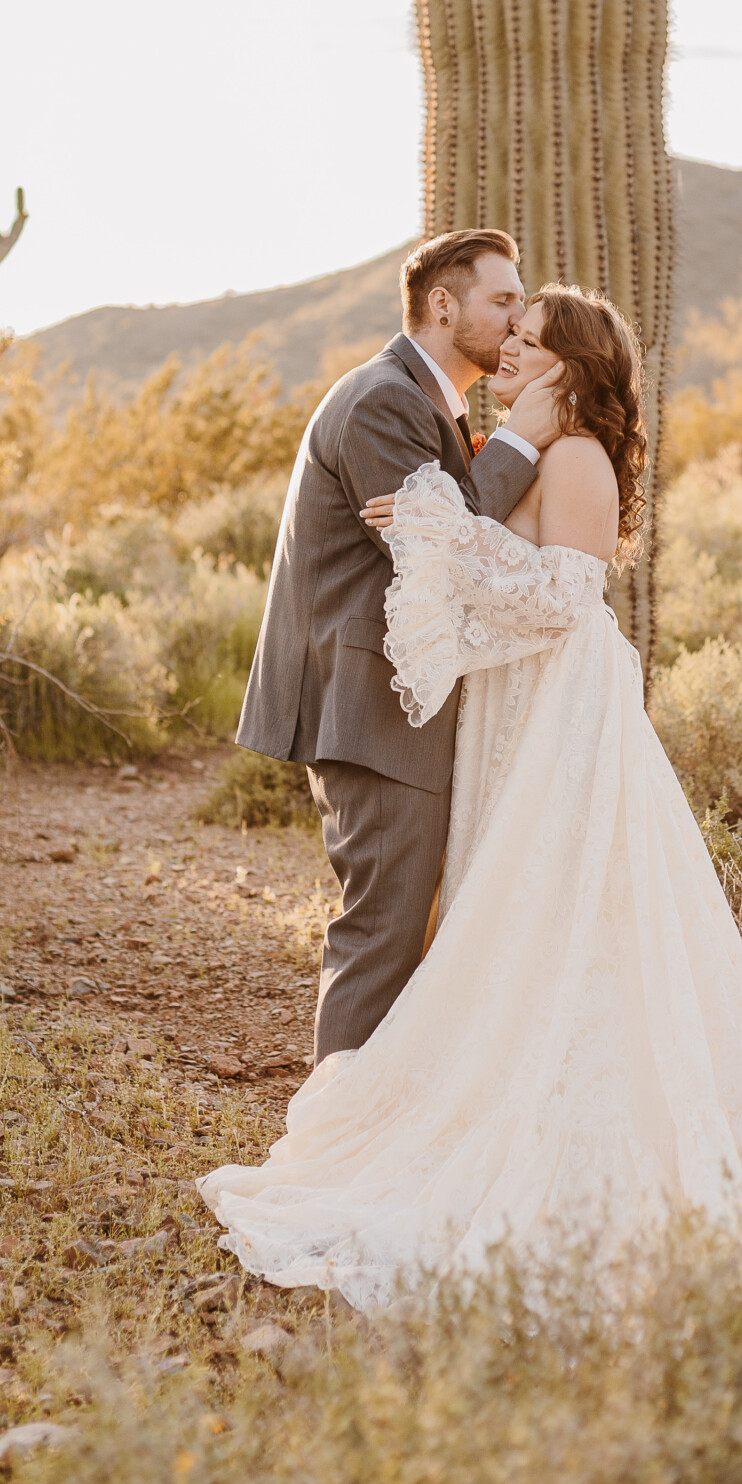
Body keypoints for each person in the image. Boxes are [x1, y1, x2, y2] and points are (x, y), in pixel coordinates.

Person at [203, 284, 742, 1364]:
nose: (511, 358)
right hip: (513, 710)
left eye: (529, 345)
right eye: (508, 339)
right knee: (507, 919)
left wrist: (444, 529)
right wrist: (453, 528)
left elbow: (567, 595)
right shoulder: (533, 445)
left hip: (561, 712)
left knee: (565, 911)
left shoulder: (574, 455)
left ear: (574, 367)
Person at [235, 228, 564, 1064]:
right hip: (371, 710)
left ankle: (366, 1138)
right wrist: (522, 439)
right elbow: (438, 558)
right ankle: (329, 1154)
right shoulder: (385, 400)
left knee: (402, 935)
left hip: (392, 707)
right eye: (502, 300)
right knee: (381, 939)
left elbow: (448, 523)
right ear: (443, 304)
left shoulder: (427, 407)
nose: (518, 316)